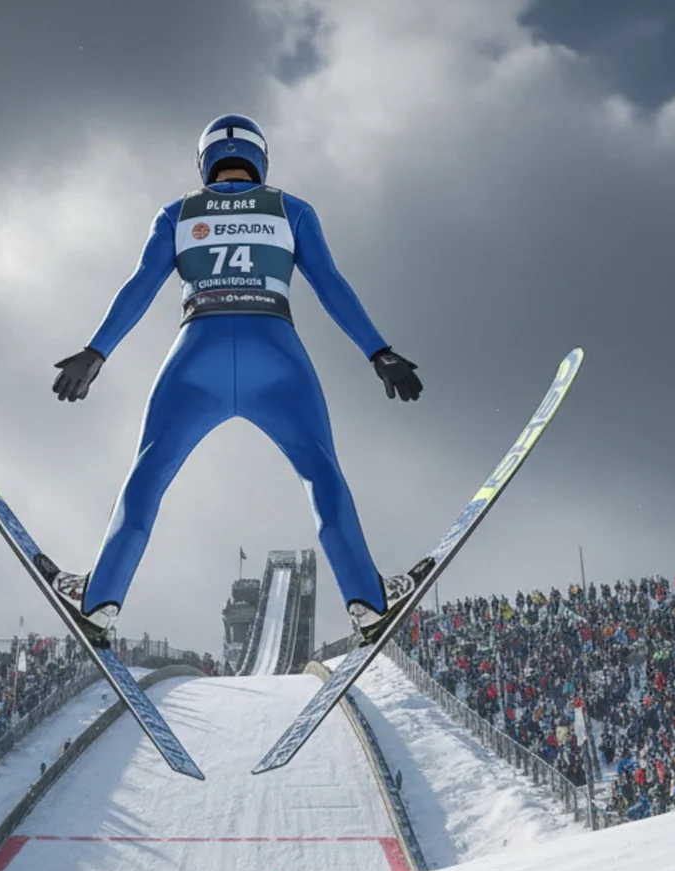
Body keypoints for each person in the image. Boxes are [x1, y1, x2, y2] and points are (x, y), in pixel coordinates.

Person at [45, 114, 425, 647]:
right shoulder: (291, 209)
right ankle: (367, 601)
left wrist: (95, 352)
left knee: (147, 475)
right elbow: (330, 284)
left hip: (196, 352)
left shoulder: (177, 213)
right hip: (275, 351)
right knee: (322, 475)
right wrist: (378, 352)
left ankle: (100, 600)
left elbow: (141, 284)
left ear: (204, 162)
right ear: (260, 158)